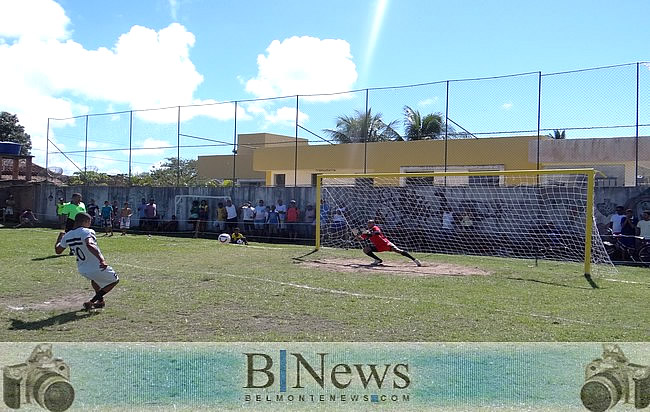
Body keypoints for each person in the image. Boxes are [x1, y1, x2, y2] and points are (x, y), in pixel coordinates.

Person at [55, 212, 119, 310]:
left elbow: (58, 251)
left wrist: (60, 238)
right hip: (96, 265)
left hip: (82, 268)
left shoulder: (67, 235)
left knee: (95, 280)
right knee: (114, 281)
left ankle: (100, 301)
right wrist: (102, 260)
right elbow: (89, 244)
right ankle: (91, 302)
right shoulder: (87, 231)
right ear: (85, 221)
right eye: (89, 222)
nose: (90, 224)